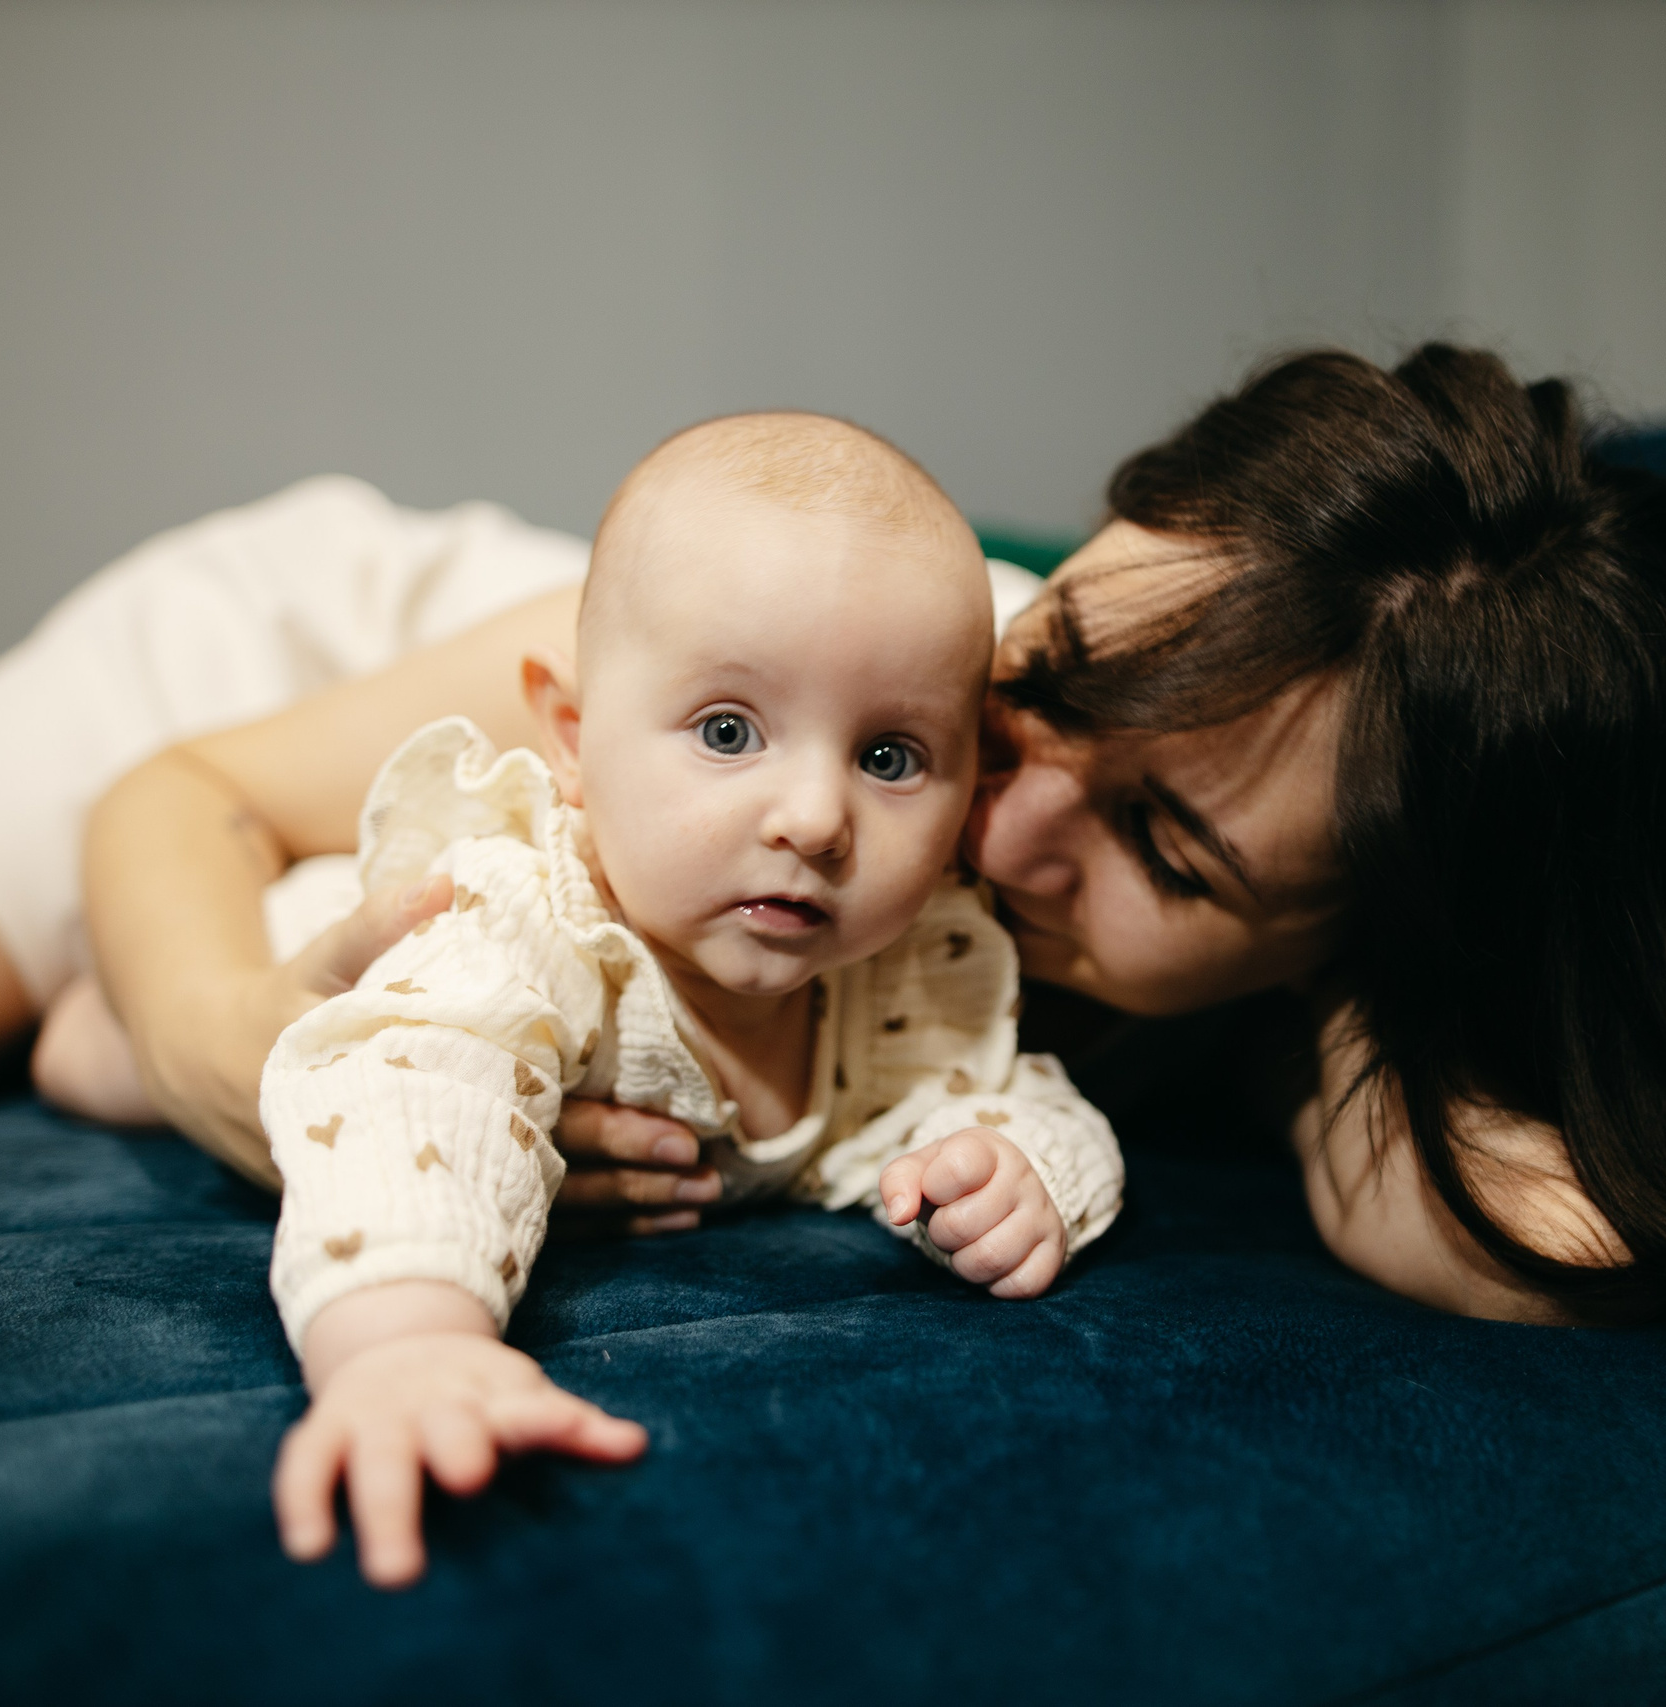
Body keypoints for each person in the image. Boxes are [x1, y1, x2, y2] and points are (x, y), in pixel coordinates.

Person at [0, 342, 1666, 1335]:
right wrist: (262, 1067)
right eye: (1057, 667)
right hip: (310, 695)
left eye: (1167, 845)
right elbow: (170, 799)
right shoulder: (814, 677)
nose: (991, 815)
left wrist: (1415, 1016)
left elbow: (1536, 1216)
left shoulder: (1331, 952)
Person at [262, 412, 1123, 1587]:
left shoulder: (905, 969)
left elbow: (1003, 1091)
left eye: (888, 758)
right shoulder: (529, 931)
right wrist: (406, 1346)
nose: (816, 819)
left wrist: (1024, 1179)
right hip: (321, 931)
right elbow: (414, 1099)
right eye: (729, 732)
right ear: (572, 742)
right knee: (103, 1054)